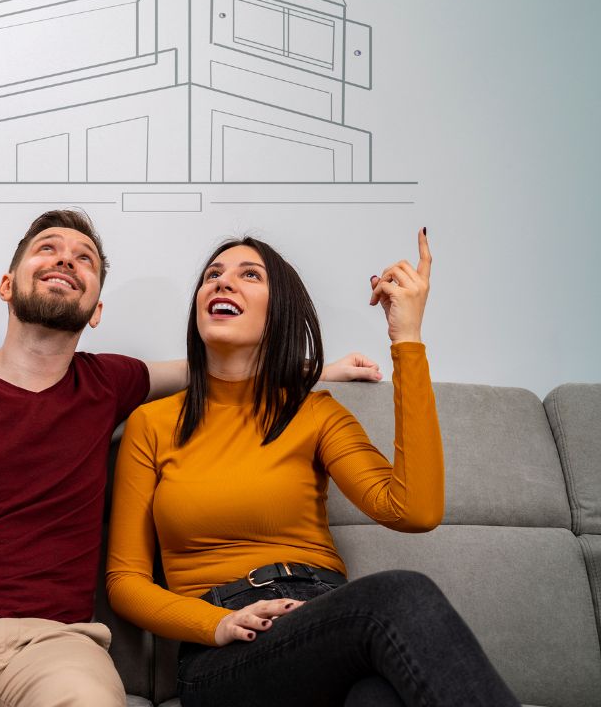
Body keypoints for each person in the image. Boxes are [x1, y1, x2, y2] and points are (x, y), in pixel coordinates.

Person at [0, 197, 381, 707]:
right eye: (48, 249)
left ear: (96, 310)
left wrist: (314, 370)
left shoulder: (107, 384)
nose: (66, 260)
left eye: (84, 258)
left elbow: (217, 367)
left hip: (56, 642)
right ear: (6, 285)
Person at [106, 231, 519, 706]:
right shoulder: (153, 423)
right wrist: (213, 624)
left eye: (249, 275)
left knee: (376, 698)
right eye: (212, 276)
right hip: (226, 646)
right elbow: (125, 581)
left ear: (278, 309)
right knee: (403, 594)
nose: (222, 283)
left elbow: (414, 509)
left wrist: (406, 339)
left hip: (326, 614)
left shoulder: (315, 413)